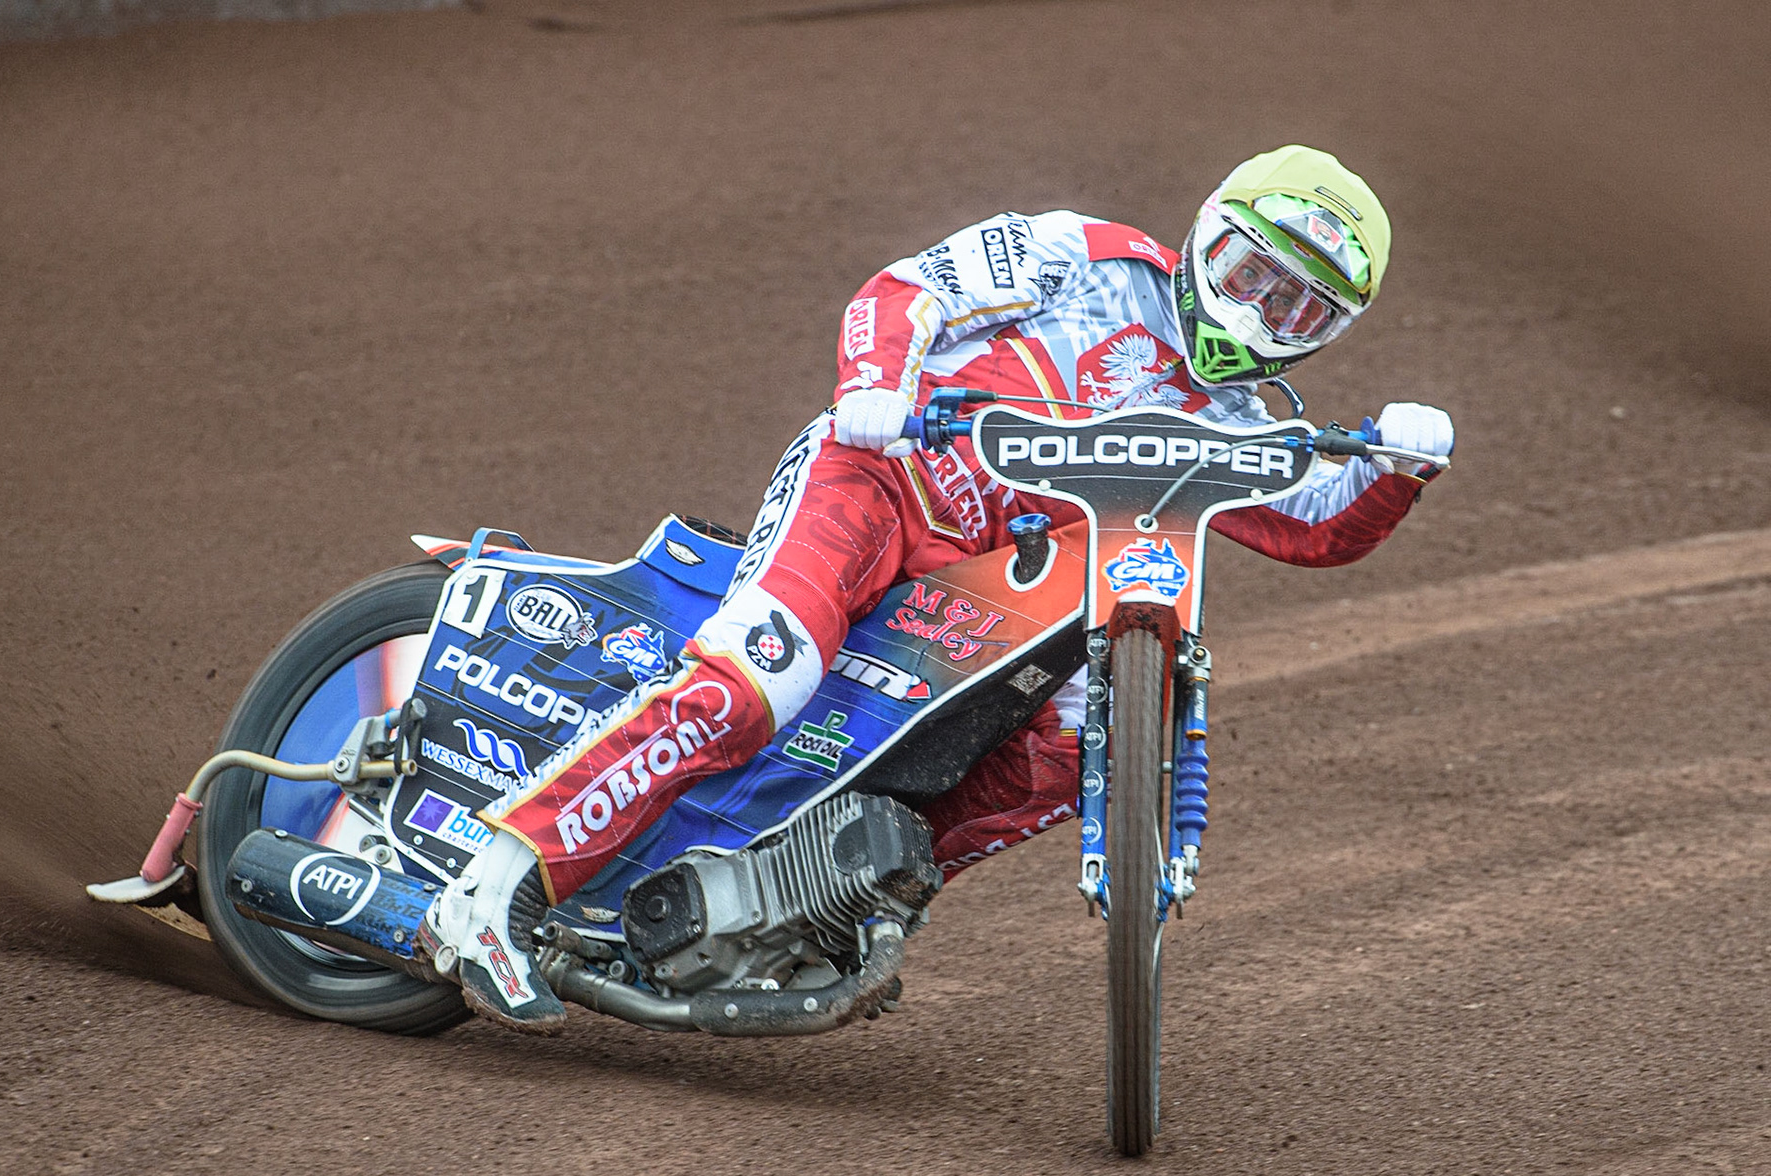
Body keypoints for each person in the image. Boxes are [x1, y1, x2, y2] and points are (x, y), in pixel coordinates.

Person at [418, 144, 1455, 1033]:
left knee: (1063, 752)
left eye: (1298, 303)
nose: (1261, 309)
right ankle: (496, 884)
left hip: (982, 592)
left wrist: (1397, 470)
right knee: (754, 685)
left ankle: (819, 900)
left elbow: (1315, 526)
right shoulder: (1078, 255)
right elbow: (906, 288)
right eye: (1249, 271)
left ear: (1330, 329)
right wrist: (876, 388)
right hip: (873, 489)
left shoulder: (1244, 425)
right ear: (1205, 234)